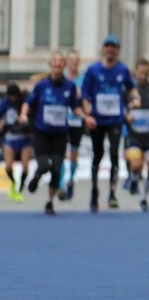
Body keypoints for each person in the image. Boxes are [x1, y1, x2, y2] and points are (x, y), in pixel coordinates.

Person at [19, 52, 87, 215]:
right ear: (50, 64)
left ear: (64, 66)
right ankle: (36, 176)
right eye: (54, 61)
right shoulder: (42, 85)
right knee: (44, 166)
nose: (57, 64)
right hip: (42, 132)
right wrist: (23, 114)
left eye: (60, 61)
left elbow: (75, 107)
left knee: (56, 169)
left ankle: (50, 202)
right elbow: (28, 103)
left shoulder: (70, 87)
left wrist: (86, 117)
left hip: (60, 134)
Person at [82, 34, 138, 212]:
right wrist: (87, 111)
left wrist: (136, 98)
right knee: (97, 155)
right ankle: (94, 190)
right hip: (97, 120)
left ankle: (112, 193)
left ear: (118, 50)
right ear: (102, 49)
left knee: (114, 154)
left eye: (113, 47)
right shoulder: (93, 70)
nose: (110, 50)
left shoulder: (122, 70)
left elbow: (132, 88)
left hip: (115, 119)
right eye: (107, 46)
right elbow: (84, 94)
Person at [123, 58, 149, 212]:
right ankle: (134, 178)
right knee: (136, 165)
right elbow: (120, 108)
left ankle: (144, 198)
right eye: (140, 73)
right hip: (134, 136)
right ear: (136, 72)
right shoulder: (128, 91)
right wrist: (127, 114)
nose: (143, 76)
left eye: (146, 74)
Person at [59, 50, 84, 201]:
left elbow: (86, 96)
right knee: (61, 152)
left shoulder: (83, 79)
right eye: (71, 60)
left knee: (74, 153)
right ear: (67, 63)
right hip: (62, 120)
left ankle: (71, 180)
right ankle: (61, 183)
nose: (73, 63)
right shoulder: (61, 79)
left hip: (77, 121)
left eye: (76, 60)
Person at [1, 82, 32, 202]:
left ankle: (20, 189)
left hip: (25, 138)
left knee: (25, 167)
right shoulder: (5, 102)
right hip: (10, 138)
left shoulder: (25, 101)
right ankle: (13, 183)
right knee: (8, 166)